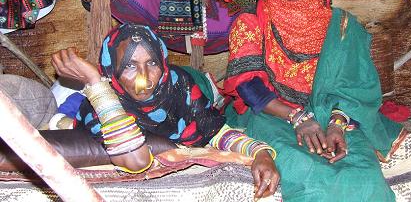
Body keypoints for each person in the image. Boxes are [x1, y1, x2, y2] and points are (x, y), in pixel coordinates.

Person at [223, 0, 411, 201]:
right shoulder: (252, 21)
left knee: (362, 172)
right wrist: (299, 118)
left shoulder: (343, 26)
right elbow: (248, 85)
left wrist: (337, 125)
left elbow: (355, 85)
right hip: (271, 113)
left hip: (334, 113)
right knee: (307, 170)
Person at [51, 23, 280, 199]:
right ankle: (63, 116)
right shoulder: (101, 103)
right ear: (112, 70)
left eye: (151, 63)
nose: (144, 78)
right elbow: (135, 161)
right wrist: (94, 82)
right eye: (130, 66)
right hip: (91, 106)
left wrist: (260, 154)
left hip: (186, 81)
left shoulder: (179, 84)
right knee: (66, 112)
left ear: (163, 62)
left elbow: (216, 131)